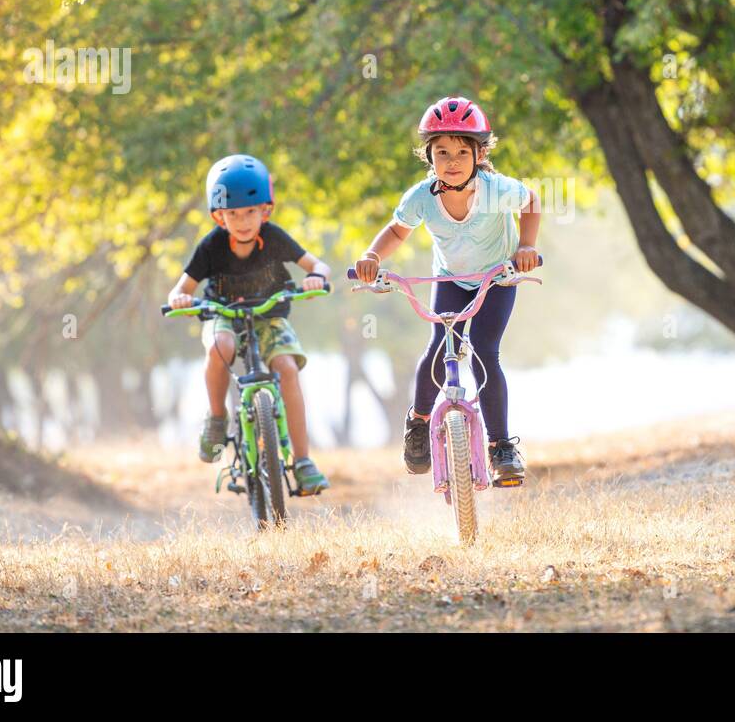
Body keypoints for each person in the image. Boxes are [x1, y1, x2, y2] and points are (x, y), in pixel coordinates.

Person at [353, 97, 541, 486]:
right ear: (428, 156)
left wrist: (526, 246)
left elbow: (532, 202)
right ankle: (419, 423)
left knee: (485, 353)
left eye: (461, 151)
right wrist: (372, 255)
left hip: (496, 279)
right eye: (441, 152)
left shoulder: (495, 189)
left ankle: (501, 447)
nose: (452, 160)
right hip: (450, 280)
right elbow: (397, 231)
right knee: (439, 348)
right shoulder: (422, 197)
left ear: (480, 153)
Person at [167, 154, 330, 495]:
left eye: (251, 212)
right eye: (233, 214)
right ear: (218, 216)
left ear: (265, 211)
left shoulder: (274, 238)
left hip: (269, 314)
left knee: (287, 367)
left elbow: (319, 266)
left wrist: (315, 277)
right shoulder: (211, 246)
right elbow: (180, 289)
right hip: (222, 314)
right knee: (220, 347)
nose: (242, 221)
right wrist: (180, 299)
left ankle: (303, 461)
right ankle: (216, 419)